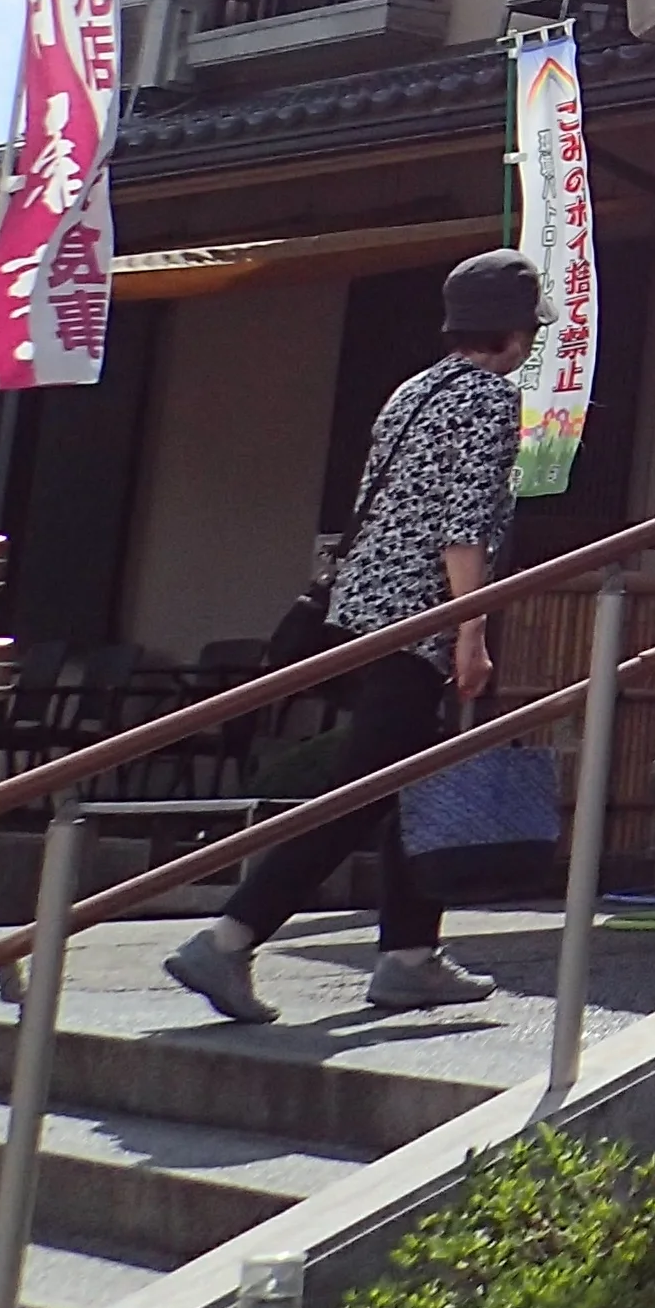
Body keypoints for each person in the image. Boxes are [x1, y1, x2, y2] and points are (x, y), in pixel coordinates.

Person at [164, 249, 537, 1023]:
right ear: (512, 330)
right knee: (359, 795)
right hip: (418, 621)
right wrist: (470, 630)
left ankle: (409, 954)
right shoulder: (489, 400)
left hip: (362, 614)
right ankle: (230, 937)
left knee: (406, 779)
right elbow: (461, 526)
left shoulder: (413, 391)